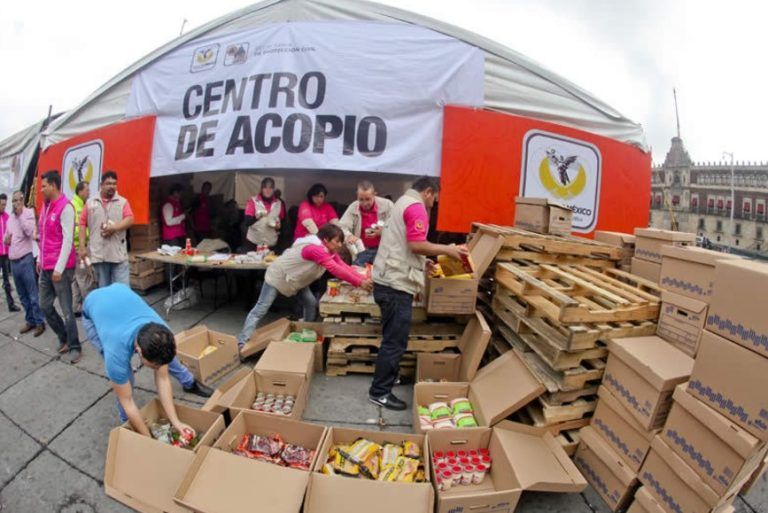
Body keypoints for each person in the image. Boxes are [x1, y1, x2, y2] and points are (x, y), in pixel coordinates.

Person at [368, 177, 468, 410]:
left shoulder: (401, 202)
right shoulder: (416, 207)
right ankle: (380, 392)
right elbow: (416, 244)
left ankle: (388, 378)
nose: (434, 204)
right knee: (395, 342)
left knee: (391, 337)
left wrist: (423, 263)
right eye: (435, 199)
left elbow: (403, 245)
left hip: (386, 280)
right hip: (396, 285)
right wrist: (449, 250)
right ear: (428, 192)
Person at [83, 283, 213, 432]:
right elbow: (127, 400)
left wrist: (176, 422)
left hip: (119, 294)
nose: (159, 369)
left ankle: (189, 382)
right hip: (93, 306)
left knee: (166, 357)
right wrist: (148, 437)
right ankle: (126, 421)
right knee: (125, 379)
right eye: (154, 366)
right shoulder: (115, 353)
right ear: (139, 351)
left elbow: (163, 379)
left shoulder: (162, 333)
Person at [237, 224, 373, 348]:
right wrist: (360, 283)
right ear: (326, 240)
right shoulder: (315, 249)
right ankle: (242, 341)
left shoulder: (329, 251)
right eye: (337, 241)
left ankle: (305, 334)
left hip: (296, 279)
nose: (340, 245)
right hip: (279, 276)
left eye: (341, 241)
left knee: (310, 303)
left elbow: (342, 266)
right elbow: (335, 269)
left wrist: (364, 278)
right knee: (261, 308)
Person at [38, 170, 81, 363]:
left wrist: (59, 268)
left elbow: (67, 240)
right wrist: (40, 259)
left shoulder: (66, 207)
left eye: (44, 186)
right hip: (45, 266)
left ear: (54, 186)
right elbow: (43, 236)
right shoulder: (45, 206)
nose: (41, 190)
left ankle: (75, 346)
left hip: (59, 269)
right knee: (44, 305)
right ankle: (63, 337)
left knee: (66, 310)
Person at [78, 171, 134, 288]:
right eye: (108, 183)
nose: (111, 186)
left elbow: (130, 219)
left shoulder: (122, 202)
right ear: (101, 185)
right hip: (99, 256)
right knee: (103, 292)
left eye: (114, 184)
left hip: (118, 256)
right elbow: (82, 223)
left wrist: (114, 228)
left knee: (122, 292)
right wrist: (82, 247)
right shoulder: (90, 203)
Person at [4, 191, 44, 335]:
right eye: (13, 201)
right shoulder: (10, 218)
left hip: (25, 259)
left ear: (22, 200)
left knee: (32, 293)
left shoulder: (28, 214)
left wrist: (20, 215)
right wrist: (6, 240)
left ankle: (39, 322)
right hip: (13, 261)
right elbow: (6, 236)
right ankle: (30, 320)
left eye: (17, 200)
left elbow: (29, 232)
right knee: (22, 295)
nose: (15, 204)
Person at [337, 181, 394, 266]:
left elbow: (397, 228)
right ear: (357, 195)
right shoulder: (353, 207)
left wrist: (382, 232)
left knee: (381, 274)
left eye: (368, 199)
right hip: (361, 250)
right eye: (361, 199)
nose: (364, 203)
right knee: (358, 272)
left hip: (383, 250)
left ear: (374, 195)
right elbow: (341, 227)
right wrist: (349, 236)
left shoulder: (387, 205)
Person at [71, 181, 95, 314]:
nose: (89, 193)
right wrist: (86, 236)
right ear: (80, 192)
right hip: (79, 248)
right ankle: (90, 308)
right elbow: (76, 229)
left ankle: (76, 307)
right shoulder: (75, 206)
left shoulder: (80, 205)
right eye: (87, 190)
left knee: (76, 279)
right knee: (85, 278)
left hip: (75, 248)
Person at [244, 177, 284, 250]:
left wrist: (278, 226)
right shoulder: (253, 201)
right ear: (261, 189)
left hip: (271, 243)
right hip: (254, 243)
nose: (268, 190)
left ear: (273, 189)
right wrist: (258, 216)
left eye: (270, 188)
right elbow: (247, 222)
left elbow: (282, 222)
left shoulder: (279, 203)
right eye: (265, 187)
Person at [0, 194, 20, 312]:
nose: (3, 207)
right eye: (2, 204)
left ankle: (11, 304)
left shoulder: (7, 218)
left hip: (5, 254)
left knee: (7, 280)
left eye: (5, 204)